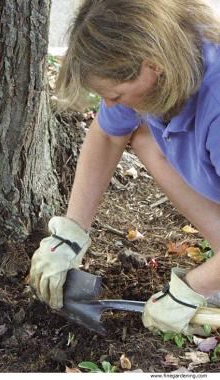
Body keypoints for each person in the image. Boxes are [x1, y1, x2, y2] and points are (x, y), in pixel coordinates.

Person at [30, 0, 220, 335]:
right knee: (143, 136)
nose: (110, 105)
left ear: (152, 67)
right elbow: (105, 135)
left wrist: (196, 286)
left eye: (116, 95)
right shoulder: (172, 55)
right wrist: (71, 231)